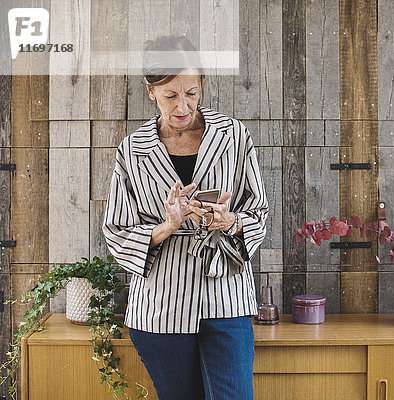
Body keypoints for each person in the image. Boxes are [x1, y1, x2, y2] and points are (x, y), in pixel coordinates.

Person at [102, 35, 268, 400]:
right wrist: (167, 226)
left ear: (201, 84)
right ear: (150, 91)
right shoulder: (132, 150)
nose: (183, 106)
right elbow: (115, 231)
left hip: (225, 297)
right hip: (160, 306)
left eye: (191, 93)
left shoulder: (234, 137)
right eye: (170, 96)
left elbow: (258, 212)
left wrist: (229, 222)